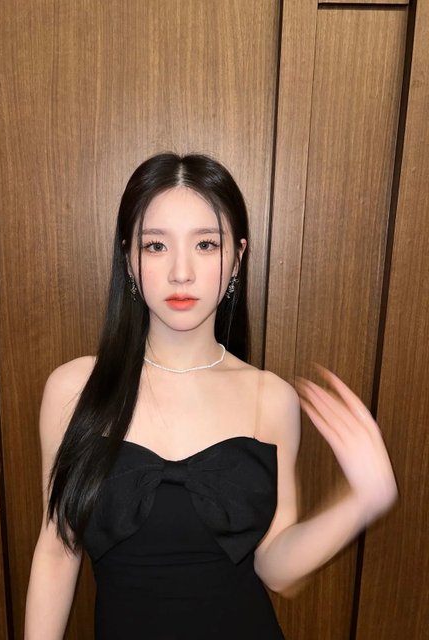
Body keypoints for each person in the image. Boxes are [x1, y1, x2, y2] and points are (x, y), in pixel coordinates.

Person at [24, 152, 398, 639]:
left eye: (206, 244)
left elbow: (275, 568)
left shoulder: (271, 398)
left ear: (237, 257)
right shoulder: (74, 388)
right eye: (156, 245)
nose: (181, 272)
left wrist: (362, 501)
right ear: (129, 259)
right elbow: (57, 551)